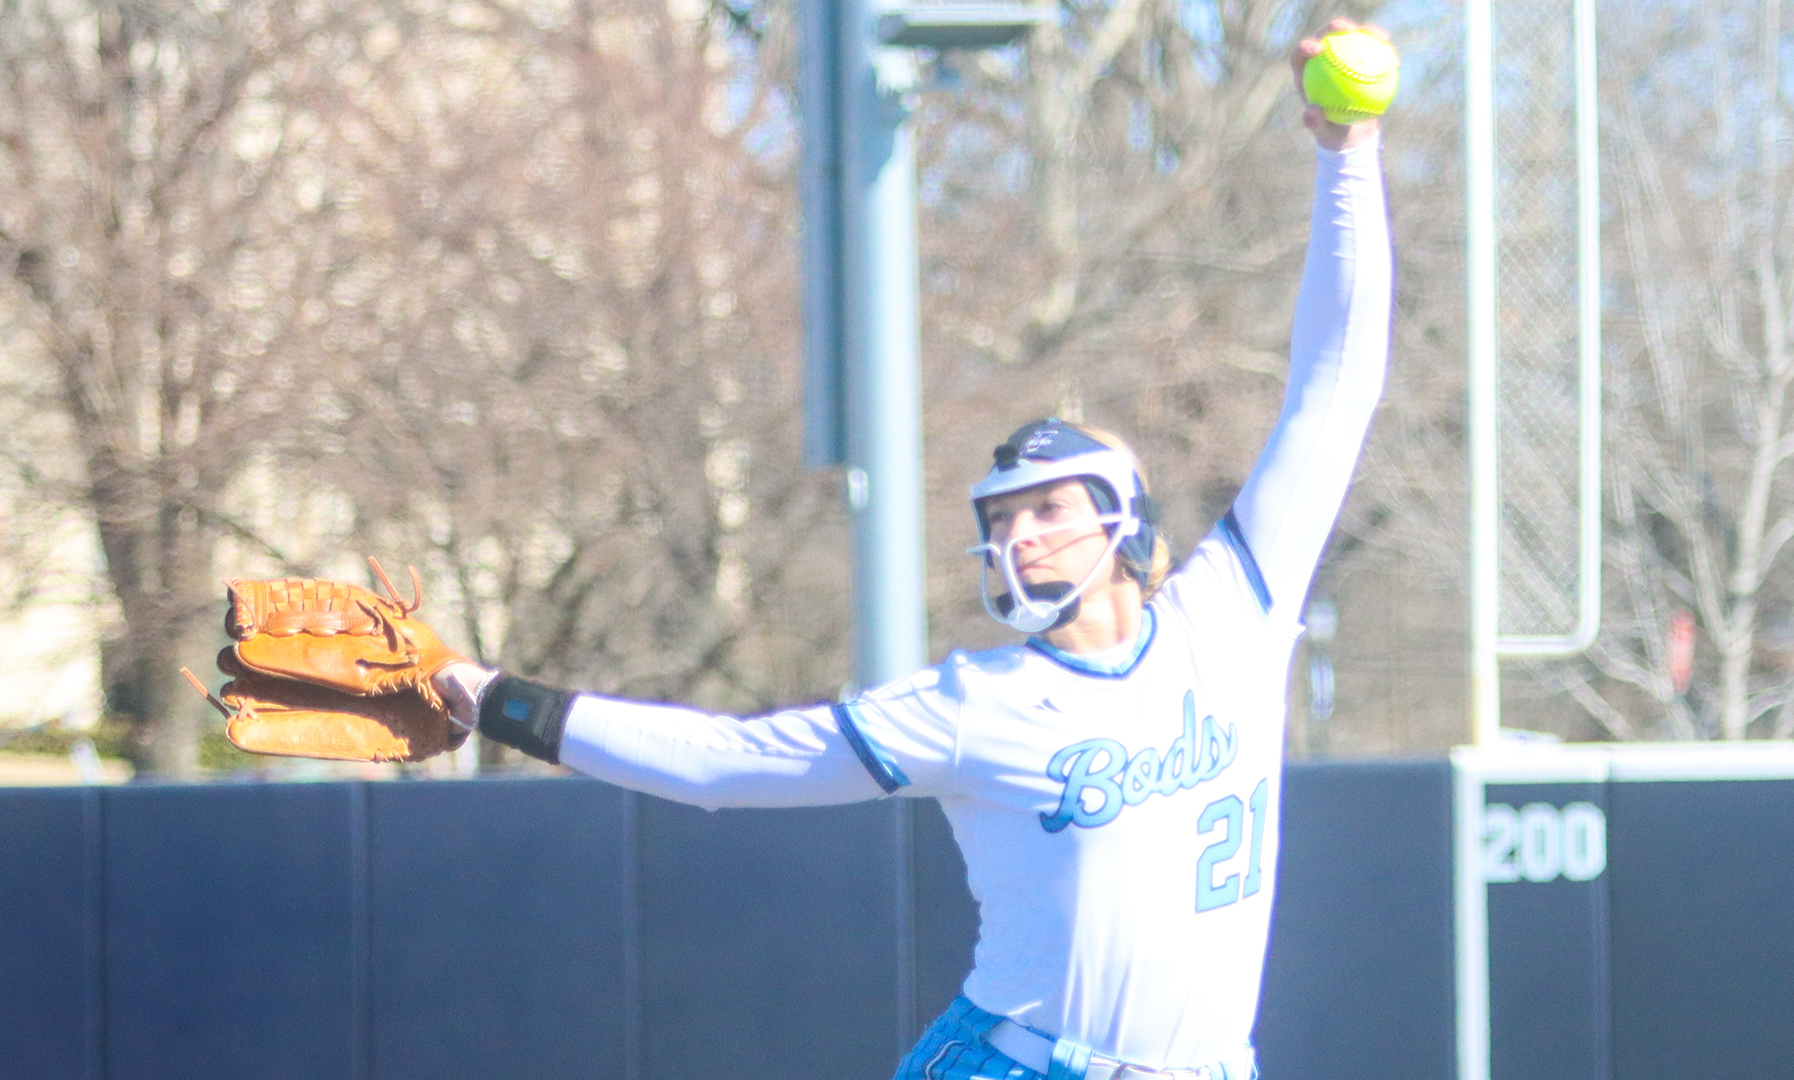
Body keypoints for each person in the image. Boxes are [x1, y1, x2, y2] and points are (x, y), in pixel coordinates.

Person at [432, 20, 1393, 1080]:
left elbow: (1336, 382)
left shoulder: (1236, 611)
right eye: (1000, 521)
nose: (1017, 537)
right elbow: (724, 766)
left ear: (1124, 519)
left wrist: (1346, 157)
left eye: (1044, 509)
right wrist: (490, 696)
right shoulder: (974, 704)